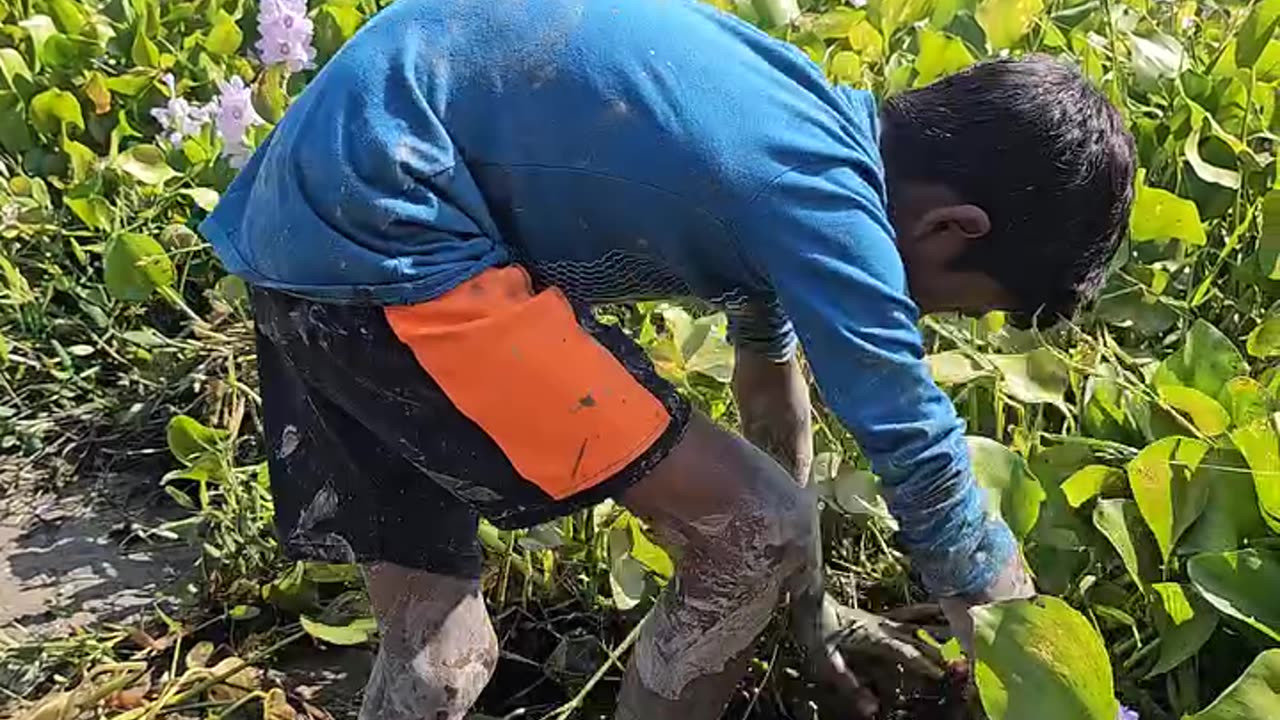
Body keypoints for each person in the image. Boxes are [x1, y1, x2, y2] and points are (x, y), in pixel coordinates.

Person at [197, 0, 1135, 718]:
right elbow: (918, 454)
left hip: (312, 223)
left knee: (440, 661)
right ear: (951, 227)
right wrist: (1027, 646)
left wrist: (810, 617)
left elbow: (772, 390)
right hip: (392, 232)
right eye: (953, 301)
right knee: (754, 529)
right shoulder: (825, 201)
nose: (915, 313)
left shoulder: (796, 122)